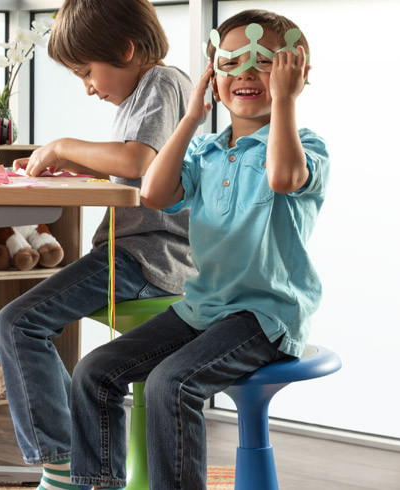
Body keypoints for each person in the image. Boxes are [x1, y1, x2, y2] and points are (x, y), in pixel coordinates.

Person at [68, 9, 329, 490]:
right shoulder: (205, 151)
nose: (246, 75)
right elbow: (154, 193)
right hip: (203, 307)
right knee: (93, 371)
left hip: (264, 317)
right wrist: (190, 117)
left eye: (264, 64)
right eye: (231, 65)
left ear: (295, 73)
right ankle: (98, 484)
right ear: (214, 76)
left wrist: (286, 102)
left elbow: (282, 176)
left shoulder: (306, 146)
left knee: (172, 384)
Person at [0, 1, 195, 489]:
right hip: (135, 254)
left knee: (17, 323)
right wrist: (73, 166)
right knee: (21, 323)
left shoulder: (163, 83)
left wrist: (62, 146)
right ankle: (80, 460)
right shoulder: (140, 95)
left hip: (148, 257)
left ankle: (64, 466)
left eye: (87, 72)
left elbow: (137, 160)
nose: (88, 87)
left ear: (125, 50)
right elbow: (128, 164)